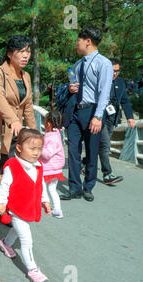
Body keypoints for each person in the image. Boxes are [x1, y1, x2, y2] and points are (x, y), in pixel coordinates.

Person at [60, 26, 113, 202]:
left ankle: (88, 186)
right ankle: (74, 187)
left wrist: (98, 117)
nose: (77, 44)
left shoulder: (103, 63)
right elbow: (75, 85)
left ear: (87, 41)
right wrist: (70, 88)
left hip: (92, 112)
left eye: (79, 40)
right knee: (73, 150)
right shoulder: (77, 64)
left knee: (91, 151)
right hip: (75, 112)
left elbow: (104, 92)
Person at [0, 128, 51, 282]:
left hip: (29, 206)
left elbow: (41, 185)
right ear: (19, 148)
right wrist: (0, 202)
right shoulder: (11, 165)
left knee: (19, 229)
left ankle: (5, 243)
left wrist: (45, 200)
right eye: (32, 148)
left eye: (39, 149)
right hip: (16, 208)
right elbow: (4, 187)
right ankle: (33, 269)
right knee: (26, 239)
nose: (36, 153)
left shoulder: (38, 165)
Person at [0, 35, 36, 179]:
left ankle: (4, 200)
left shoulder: (26, 76)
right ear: (9, 54)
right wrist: (13, 120)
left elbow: (28, 106)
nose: (26, 55)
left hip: (15, 134)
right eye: (21, 51)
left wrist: (35, 132)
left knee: (10, 173)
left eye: (28, 51)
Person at [96, 57, 135, 184]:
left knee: (100, 145)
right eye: (113, 70)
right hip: (99, 118)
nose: (115, 73)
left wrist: (130, 117)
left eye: (117, 71)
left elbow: (125, 101)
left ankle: (86, 163)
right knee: (106, 144)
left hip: (112, 118)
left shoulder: (120, 82)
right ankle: (107, 174)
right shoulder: (100, 80)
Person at [40, 110, 66, 219]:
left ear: (49, 124)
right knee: (52, 189)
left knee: (41, 185)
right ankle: (57, 210)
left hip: (50, 167)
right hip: (56, 167)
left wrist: (39, 147)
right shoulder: (56, 133)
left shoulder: (51, 137)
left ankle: (46, 203)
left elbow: (47, 154)